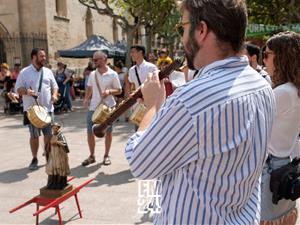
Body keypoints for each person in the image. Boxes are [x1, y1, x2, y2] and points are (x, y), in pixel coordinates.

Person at [124, 0, 275, 224]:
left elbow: (139, 161)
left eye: (182, 28)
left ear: (201, 30)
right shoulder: (262, 85)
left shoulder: (191, 99)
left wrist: (153, 105)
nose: (182, 37)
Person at [260, 31, 300, 225]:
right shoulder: (293, 89)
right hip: (284, 166)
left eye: (266, 54)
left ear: (281, 56)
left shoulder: (283, 93)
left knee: (267, 220)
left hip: (270, 169)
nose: (263, 60)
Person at [16, 47, 58, 170]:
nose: (44, 58)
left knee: (48, 135)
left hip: (48, 109)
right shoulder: (24, 72)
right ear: (34, 57)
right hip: (32, 111)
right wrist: (26, 91)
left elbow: (54, 86)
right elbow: (18, 89)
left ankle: (49, 157)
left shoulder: (48, 71)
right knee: (34, 136)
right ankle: (34, 158)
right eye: (41, 56)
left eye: (44, 56)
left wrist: (54, 95)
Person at [82, 51, 122, 166]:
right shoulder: (92, 74)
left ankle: (106, 155)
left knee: (108, 132)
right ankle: (92, 156)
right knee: (90, 132)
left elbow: (119, 90)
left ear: (104, 59)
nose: (94, 62)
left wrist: (109, 91)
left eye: (97, 59)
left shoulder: (113, 74)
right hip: (93, 107)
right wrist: (86, 99)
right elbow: (89, 87)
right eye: (93, 60)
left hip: (108, 108)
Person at [45, 123, 70, 190]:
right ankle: (52, 183)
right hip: (53, 155)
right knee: (52, 169)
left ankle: (61, 183)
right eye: (53, 128)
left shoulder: (61, 135)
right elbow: (48, 145)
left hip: (60, 154)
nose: (54, 129)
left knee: (60, 168)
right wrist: (46, 151)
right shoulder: (51, 136)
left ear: (58, 128)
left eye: (56, 128)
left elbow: (64, 144)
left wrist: (57, 142)